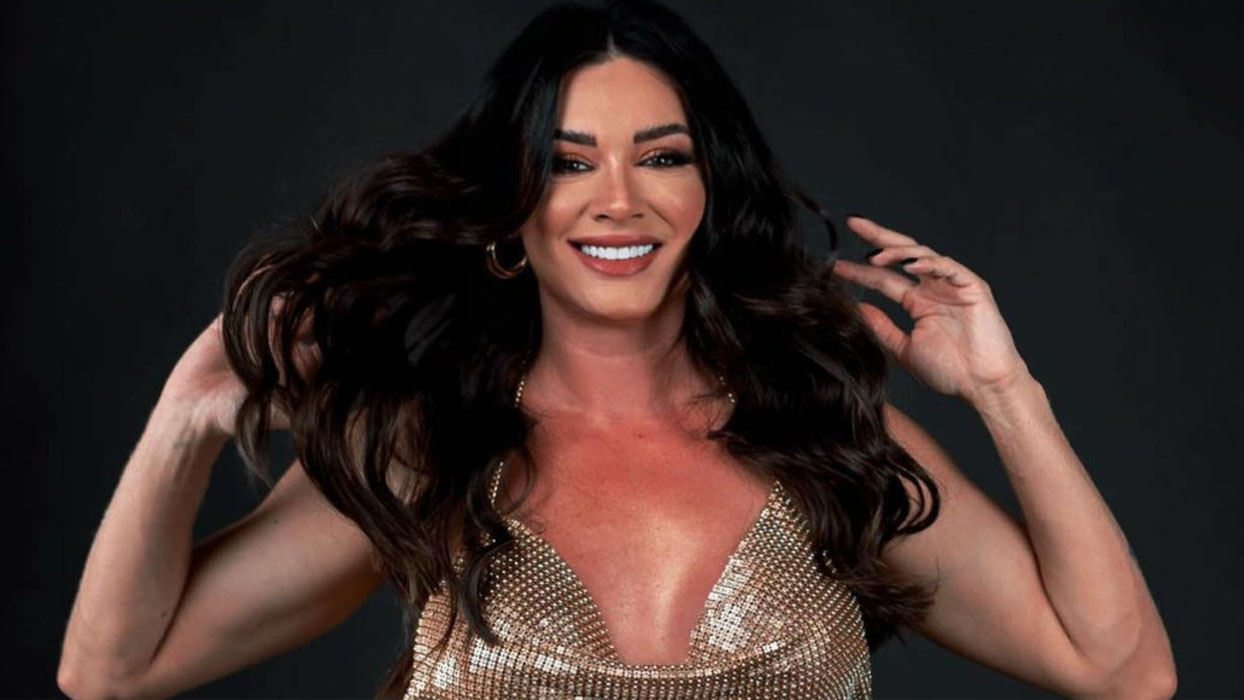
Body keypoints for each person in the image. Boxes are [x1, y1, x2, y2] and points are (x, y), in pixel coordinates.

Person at [57, 1, 1176, 698]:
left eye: (662, 155)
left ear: (708, 189)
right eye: (570, 160)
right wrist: (183, 424)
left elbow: (1121, 669)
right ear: (512, 201)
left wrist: (1005, 391)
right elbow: (110, 670)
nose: (619, 200)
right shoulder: (424, 445)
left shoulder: (826, 436)